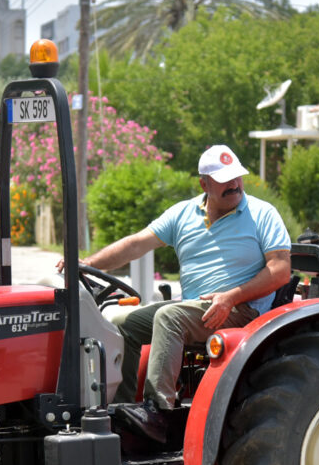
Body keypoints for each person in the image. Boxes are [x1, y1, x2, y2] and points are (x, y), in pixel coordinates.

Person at [79, 144, 291, 443]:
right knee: (121, 325)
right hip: (196, 308)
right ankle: (121, 411)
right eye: (224, 179)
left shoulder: (262, 214)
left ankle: (158, 413)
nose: (234, 185)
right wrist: (86, 265)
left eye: (237, 177)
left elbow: (280, 269)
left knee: (169, 315)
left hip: (241, 309)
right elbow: (136, 244)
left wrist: (231, 296)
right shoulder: (183, 214)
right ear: (204, 183)